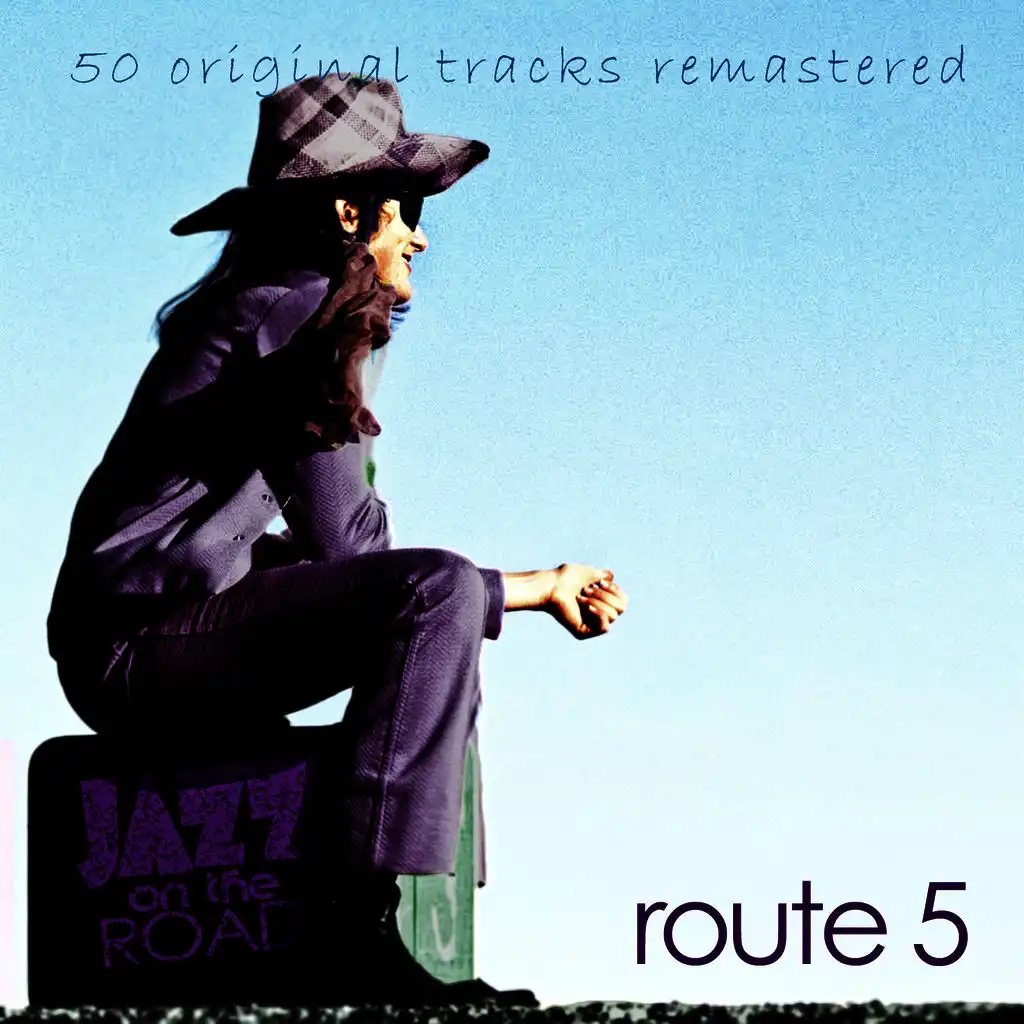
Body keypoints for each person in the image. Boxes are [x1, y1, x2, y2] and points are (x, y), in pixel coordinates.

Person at [46, 73, 629, 1006]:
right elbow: (352, 550)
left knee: (436, 600)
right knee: (435, 594)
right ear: (350, 213)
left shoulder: (272, 305)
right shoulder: (297, 311)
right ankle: (361, 923)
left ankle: (405, 909)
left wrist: (535, 584)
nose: (421, 238)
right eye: (408, 213)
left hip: (148, 637)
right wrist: (518, 586)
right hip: (137, 649)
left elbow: (319, 552)